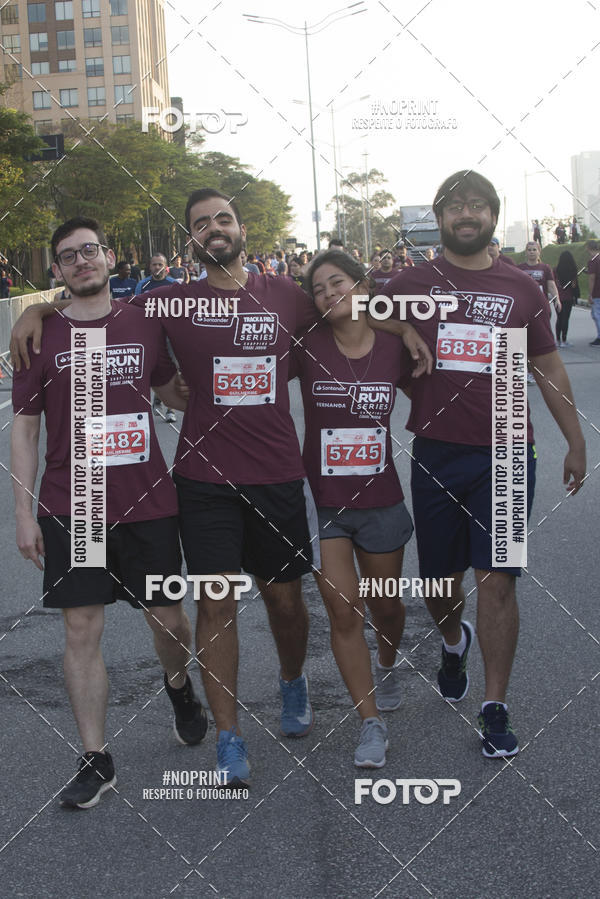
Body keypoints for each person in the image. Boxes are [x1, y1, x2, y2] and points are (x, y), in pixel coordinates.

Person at [11, 191, 431, 789]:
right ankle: (229, 737)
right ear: (191, 238)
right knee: (215, 602)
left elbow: (346, 309)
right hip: (202, 480)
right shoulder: (168, 301)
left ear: (241, 228)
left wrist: (402, 326)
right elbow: (94, 303)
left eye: (223, 219)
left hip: (277, 475)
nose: (214, 228)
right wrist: (39, 310)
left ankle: (292, 681)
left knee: (285, 601)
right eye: (201, 223)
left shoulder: (286, 294)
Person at [377, 170, 586, 758]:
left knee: (497, 581)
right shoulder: (410, 283)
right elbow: (356, 311)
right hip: (437, 452)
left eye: (477, 206)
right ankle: (453, 641)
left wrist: (576, 441)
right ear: (440, 217)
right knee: (441, 584)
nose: (466, 215)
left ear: (493, 215)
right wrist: (403, 328)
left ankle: (495, 707)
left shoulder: (519, 287)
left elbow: (548, 367)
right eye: (455, 206)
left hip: (508, 451)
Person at [10, 217, 207, 809]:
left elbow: (173, 390)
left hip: (148, 503)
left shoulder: (144, 319)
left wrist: (220, 389)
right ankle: (95, 757)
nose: (82, 261)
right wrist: (23, 513)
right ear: (57, 270)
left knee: (168, 621)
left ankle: (179, 686)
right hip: (76, 505)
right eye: (69, 256)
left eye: (90, 250)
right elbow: (24, 431)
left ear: (110, 256)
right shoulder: (38, 336)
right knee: (80, 629)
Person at [293, 250, 418, 767]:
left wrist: (405, 327)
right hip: (324, 503)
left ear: (362, 286)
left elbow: (436, 388)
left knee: (386, 606)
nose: (328, 293)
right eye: (318, 288)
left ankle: (387, 663)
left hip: (381, 499)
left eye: (337, 282)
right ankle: (370, 723)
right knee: (344, 613)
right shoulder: (306, 344)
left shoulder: (394, 347)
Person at [135, 255, 178, 422]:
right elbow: (136, 309)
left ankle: (170, 410)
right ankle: (158, 398)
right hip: (150, 334)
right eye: (154, 264)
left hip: (170, 334)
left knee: (172, 369)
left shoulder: (174, 284)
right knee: (152, 370)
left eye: (160, 264)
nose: (157, 267)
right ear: (150, 267)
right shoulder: (142, 285)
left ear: (166, 267)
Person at [518, 242, 560, 381]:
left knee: (540, 339)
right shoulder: (519, 268)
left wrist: (557, 299)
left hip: (541, 309)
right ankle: (526, 370)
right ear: (526, 252)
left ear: (539, 252)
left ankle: (542, 369)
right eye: (529, 250)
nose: (531, 252)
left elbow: (551, 285)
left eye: (534, 249)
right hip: (524, 309)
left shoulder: (545, 268)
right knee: (523, 339)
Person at [553, 251, 580, 347]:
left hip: (557, 297)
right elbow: (574, 286)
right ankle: (564, 340)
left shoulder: (555, 270)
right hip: (568, 297)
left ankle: (557, 340)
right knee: (565, 318)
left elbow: (553, 283)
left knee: (559, 318)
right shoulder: (572, 270)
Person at [586, 239, 600, 346]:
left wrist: (590, 294)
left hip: (597, 292)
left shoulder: (593, 261)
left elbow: (592, 278)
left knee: (597, 314)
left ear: (588, 248)